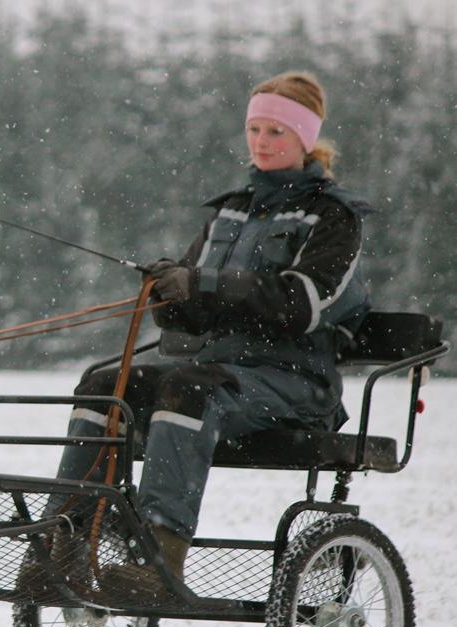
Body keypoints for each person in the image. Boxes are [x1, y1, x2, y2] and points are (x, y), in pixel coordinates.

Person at [47, 71, 371, 599]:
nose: (261, 143)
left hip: (294, 383)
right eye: (255, 129)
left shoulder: (333, 217)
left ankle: (159, 559)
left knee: (188, 389)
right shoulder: (229, 212)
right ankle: (61, 543)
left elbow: (303, 304)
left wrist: (204, 282)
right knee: (104, 383)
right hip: (223, 374)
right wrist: (170, 293)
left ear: (306, 139)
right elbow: (193, 318)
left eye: (276, 133)